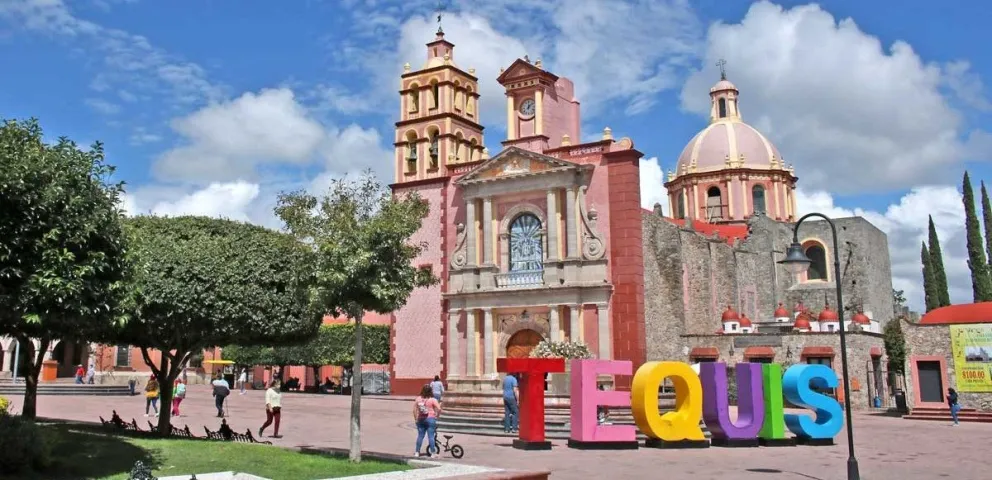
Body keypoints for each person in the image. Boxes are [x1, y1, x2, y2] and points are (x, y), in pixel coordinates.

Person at [413, 384, 441, 457]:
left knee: (420, 436)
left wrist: (416, 419)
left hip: (420, 419)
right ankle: (433, 453)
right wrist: (437, 416)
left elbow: (414, 410)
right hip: (431, 419)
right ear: (431, 391)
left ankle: (417, 452)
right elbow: (439, 409)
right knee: (431, 436)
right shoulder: (433, 400)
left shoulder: (418, 399)